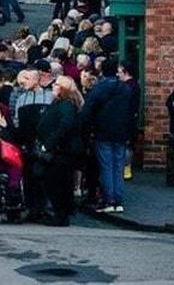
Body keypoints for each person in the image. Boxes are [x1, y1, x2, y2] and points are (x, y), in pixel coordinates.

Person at [80, 57, 133, 213]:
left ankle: (108, 200)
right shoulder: (125, 89)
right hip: (121, 132)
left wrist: (86, 130)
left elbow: (87, 112)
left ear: (102, 71)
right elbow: (130, 112)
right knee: (118, 167)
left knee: (106, 166)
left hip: (103, 132)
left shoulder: (99, 88)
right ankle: (118, 200)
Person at [37, 76, 85, 226]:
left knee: (57, 183)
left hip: (63, 151)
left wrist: (49, 143)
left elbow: (65, 126)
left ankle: (61, 215)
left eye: (56, 85)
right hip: (61, 150)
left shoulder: (66, 105)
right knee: (58, 182)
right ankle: (61, 213)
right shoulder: (61, 104)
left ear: (63, 89)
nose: (53, 86)